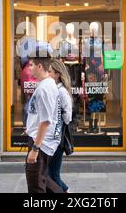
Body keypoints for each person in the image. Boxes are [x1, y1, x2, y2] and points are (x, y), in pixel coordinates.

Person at [25, 45, 63, 193]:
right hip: (39, 139)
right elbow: (42, 115)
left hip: (40, 143)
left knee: (36, 186)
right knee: (42, 179)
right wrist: (29, 128)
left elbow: (46, 121)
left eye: (31, 65)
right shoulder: (46, 84)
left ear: (40, 66)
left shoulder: (44, 88)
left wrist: (35, 149)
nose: (29, 69)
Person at [48, 59, 73, 193]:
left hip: (58, 139)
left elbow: (68, 117)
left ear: (58, 74)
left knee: (52, 175)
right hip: (51, 138)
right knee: (49, 174)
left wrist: (57, 117)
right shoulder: (51, 88)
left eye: (50, 71)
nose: (47, 74)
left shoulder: (61, 92)